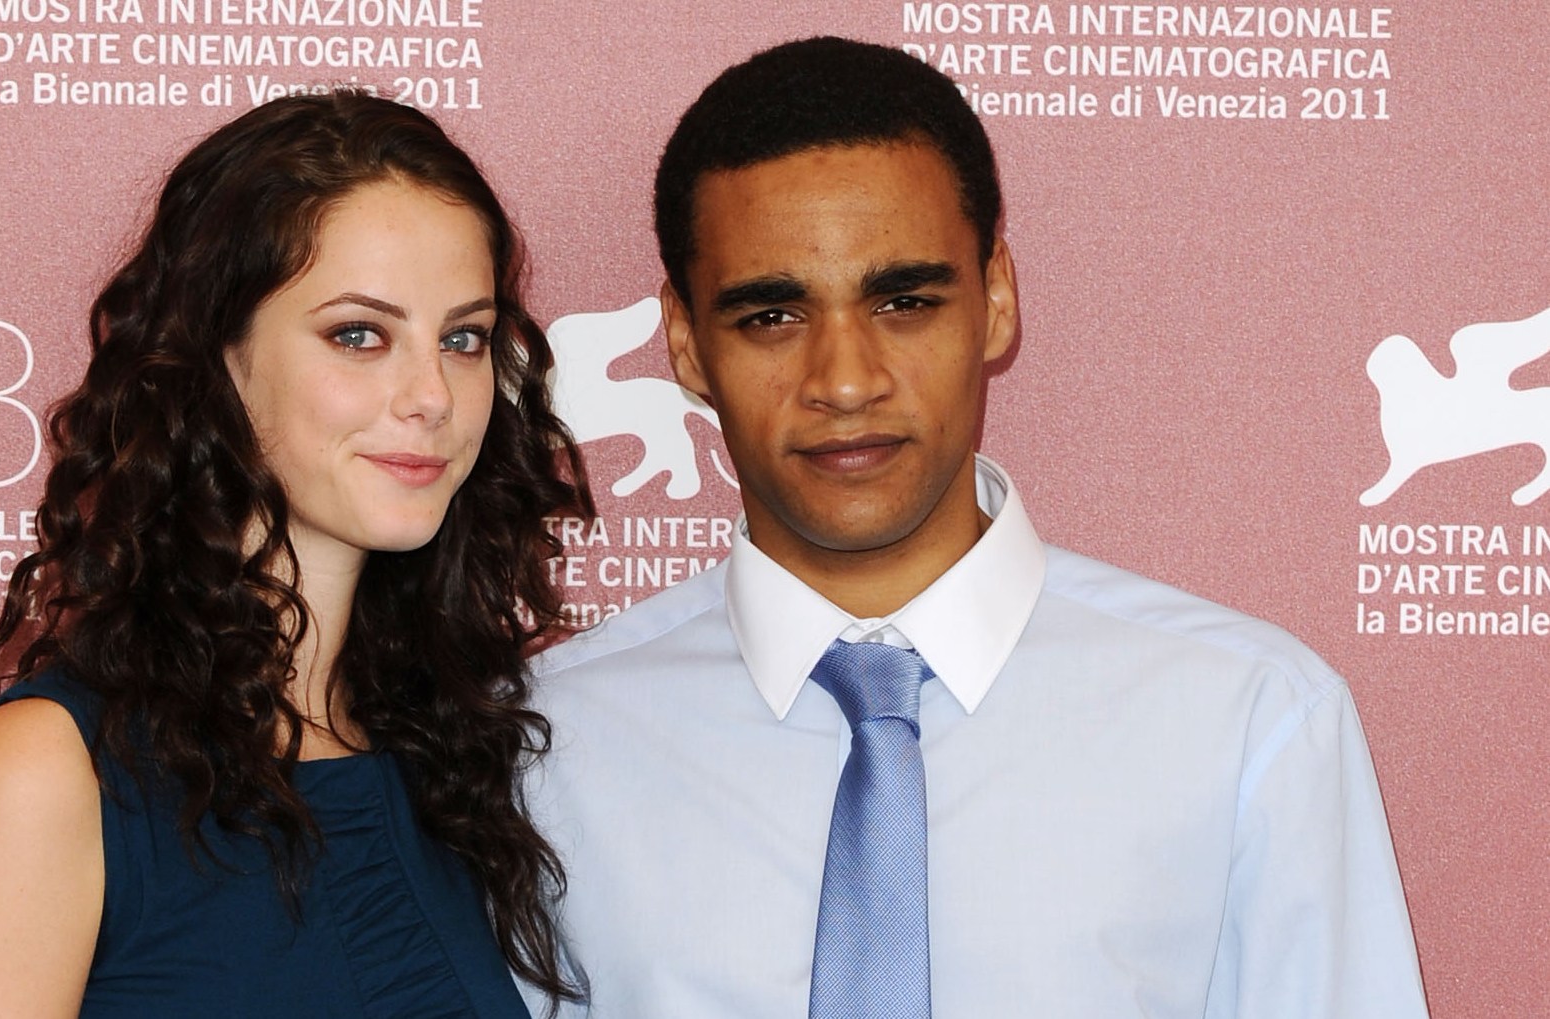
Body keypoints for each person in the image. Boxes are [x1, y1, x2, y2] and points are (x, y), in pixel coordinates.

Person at [523, 36, 1430, 1018]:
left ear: (996, 298)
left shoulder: (1250, 721)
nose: (844, 380)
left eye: (903, 302)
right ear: (685, 342)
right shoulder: (542, 748)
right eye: (772, 316)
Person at [0, 92, 588, 1017]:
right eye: (359, 335)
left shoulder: (454, 751)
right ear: (217, 358)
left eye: (462, 339)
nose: (432, 394)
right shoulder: (52, 769)